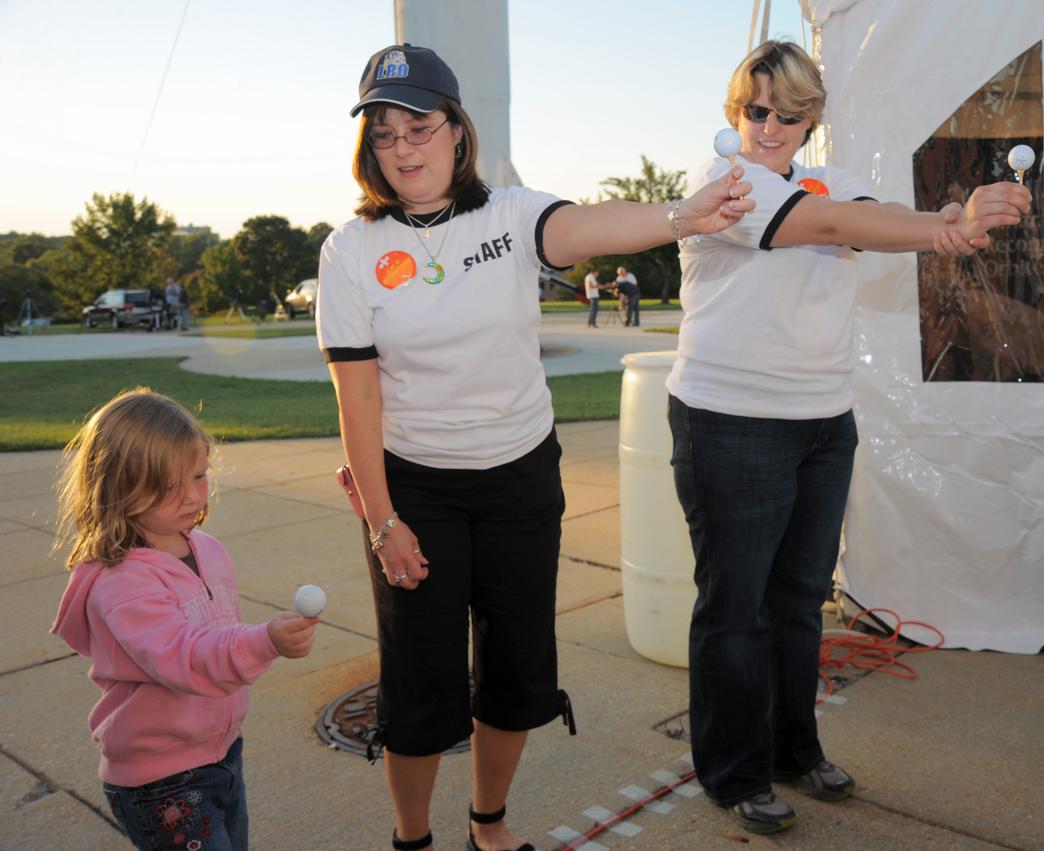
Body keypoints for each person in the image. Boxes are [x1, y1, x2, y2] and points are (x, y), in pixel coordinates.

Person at [316, 44, 753, 851]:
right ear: (369, 147)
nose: (404, 147)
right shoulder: (352, 251)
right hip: (418, 488)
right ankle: (412, 838)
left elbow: (584, 226)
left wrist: (680, 216)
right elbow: (359, 398)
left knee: (517, 674)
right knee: (420, 681)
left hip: (520, 478)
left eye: (420, 125)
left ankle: (489, 824)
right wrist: (384, 521)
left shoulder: (510, 215)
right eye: (385, 132)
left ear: (456, 130)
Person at [666, 40, 1031, 835]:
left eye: (789, 114)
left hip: (823, 420)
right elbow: (827, 223)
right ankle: (734, 770)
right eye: (756, 110)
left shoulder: (827, 179)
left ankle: (794, 749)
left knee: (798, 601)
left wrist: (950, 224)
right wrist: (948, 229)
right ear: (736, 113)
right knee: (737, 607)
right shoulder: (726, 185)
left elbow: (874, 218)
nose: (769, 126)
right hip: (730, 421)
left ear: (810, 120)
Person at [50, 388, 319, 851]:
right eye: (171, 486)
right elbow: (186, 657)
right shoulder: (122, 582)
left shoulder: (206, 549)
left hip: (223, 754)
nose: (195, 495)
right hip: (161, 780)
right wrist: (265, 641)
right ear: (120, 486)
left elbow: (213, 633)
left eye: (198, 475)